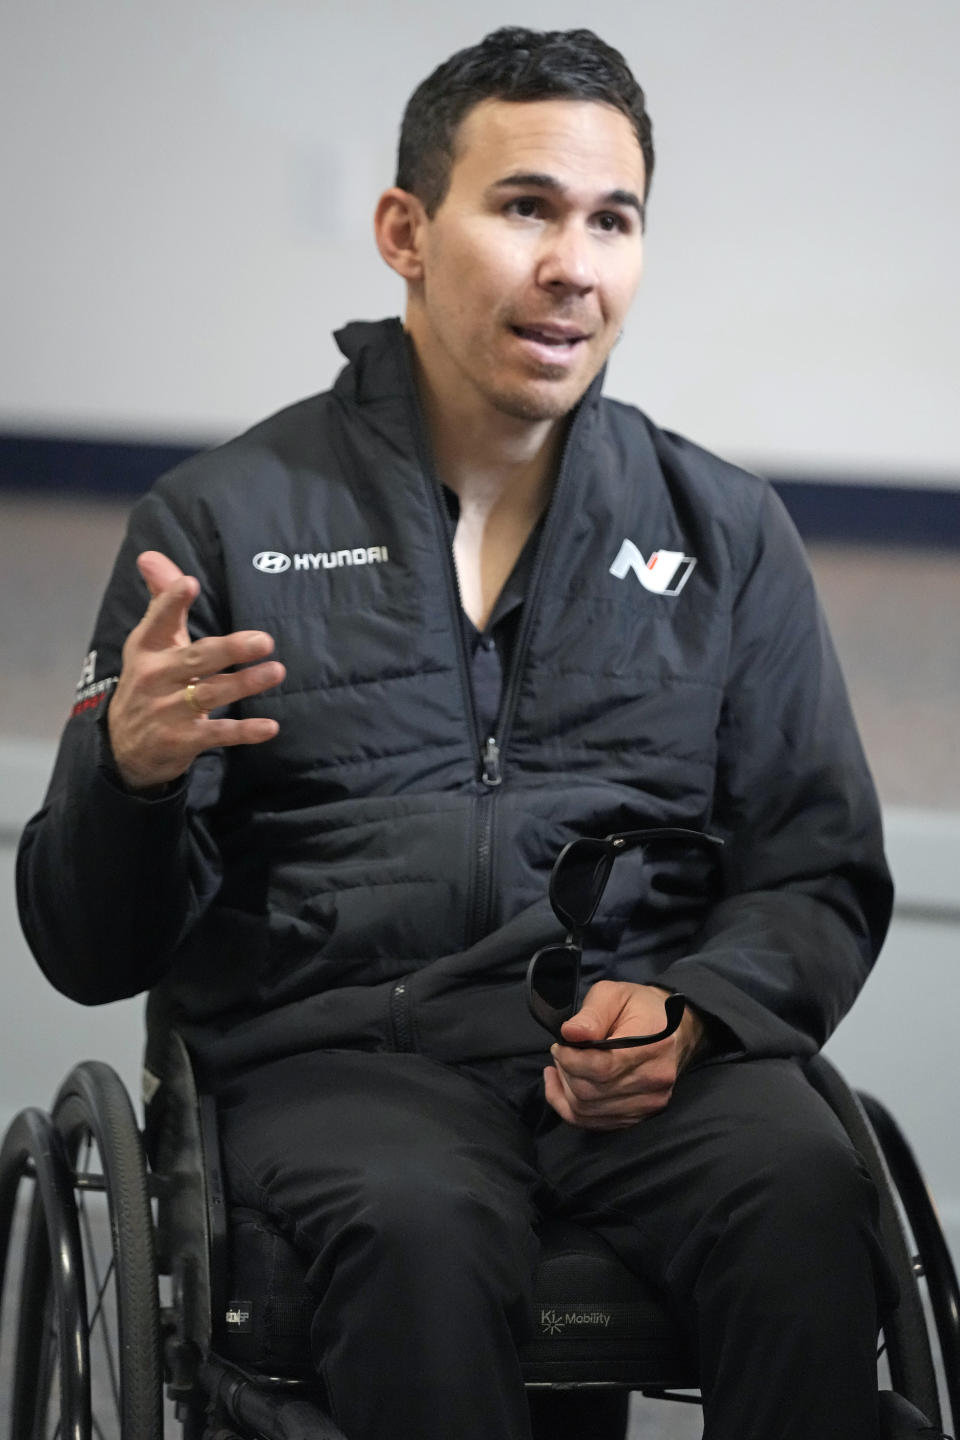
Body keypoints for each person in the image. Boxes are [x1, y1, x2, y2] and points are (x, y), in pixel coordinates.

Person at [17, 26, 902, 1440]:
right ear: (405, 232)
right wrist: (126, 774)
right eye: (526, 207)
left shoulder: (720, 533)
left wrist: (696, 1009)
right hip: (339, 1068)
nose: (576, 264)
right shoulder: (220, 524)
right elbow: (89, 949)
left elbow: (818, 873)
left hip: (638, 1063)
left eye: (614, 220)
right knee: (420, 1230)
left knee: (804, 1199)